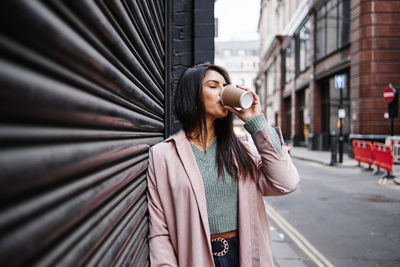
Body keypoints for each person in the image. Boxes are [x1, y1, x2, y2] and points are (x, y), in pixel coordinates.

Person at [146, 62, 300, 267]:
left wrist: (256, 122)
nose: (223, 91)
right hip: (195, 257)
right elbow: (159, 230)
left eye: (225, 85)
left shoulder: (242, 150)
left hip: (242, 255)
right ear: (191, 94)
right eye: (213, 85)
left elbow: (286, 183)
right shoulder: (163, 155)